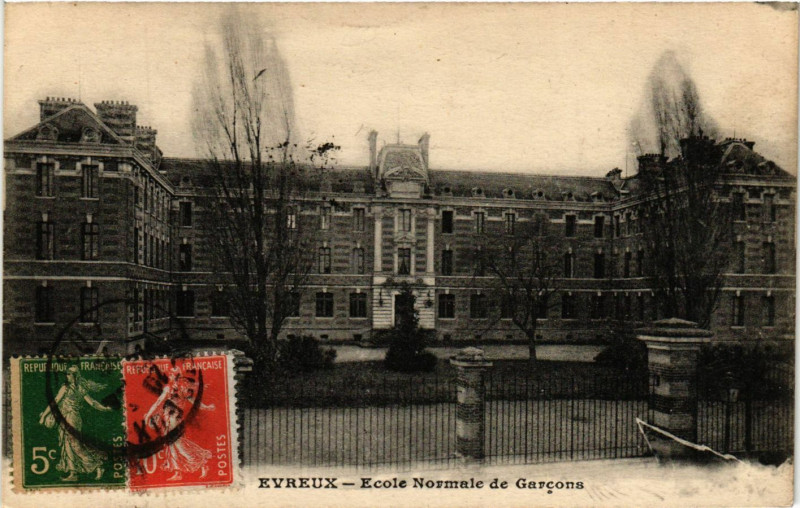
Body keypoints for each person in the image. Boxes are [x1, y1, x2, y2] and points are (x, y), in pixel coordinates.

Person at [38, 366, 113, 482]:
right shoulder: (70, 387)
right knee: (67, 444)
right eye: (67, 374)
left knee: (75, 445)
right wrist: (44, 416)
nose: (67, 376)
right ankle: (73, 473)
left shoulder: (72, 388)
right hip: (67, 417)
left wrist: (104, 409)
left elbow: (92, 403)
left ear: (75, 376)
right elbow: (56, 402)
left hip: (72, 418)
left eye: (69, 374)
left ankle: (97, 465)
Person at [144, 365, 215, 481]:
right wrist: (149, 415)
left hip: (174, 419)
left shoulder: (177, 388)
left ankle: (201, 462)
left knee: (178, 445)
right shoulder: (173, 388)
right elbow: (159, 403)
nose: (172, 377)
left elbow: (160, 402)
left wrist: (148, 415)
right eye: (171, 375)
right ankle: (179, 472)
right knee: (173, 446)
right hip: (168, 419)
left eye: (174, 375)